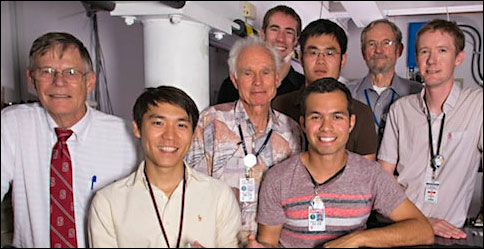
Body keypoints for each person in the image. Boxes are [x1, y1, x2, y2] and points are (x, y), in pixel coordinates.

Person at [251, 78, 434, 248]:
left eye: (337, 117)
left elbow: (423, 230)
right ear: (303, 124)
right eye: (316, 117)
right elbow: (269, 242)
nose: (326, 127)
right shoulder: (278, 178)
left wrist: (357, 239)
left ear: (351, 123)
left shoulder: (370, 175)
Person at [0, 32, 140, 248]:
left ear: (90, 81)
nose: (59, 82)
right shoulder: (12, 124)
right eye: (46, 72)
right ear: (31, 79)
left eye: (71, 73)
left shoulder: (124, 136)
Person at [88, 86, 241, 247]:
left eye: (181, 125)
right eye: (158, 123)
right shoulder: (108, 202)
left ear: (193, 132)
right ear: (137, 128)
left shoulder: (219, 196)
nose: (170, 136)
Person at [186, 35, 303, 244]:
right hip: (218, 240)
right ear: (234, 79)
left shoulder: (291, 130)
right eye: (248, 73)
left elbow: (294, 199)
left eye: (265, 73)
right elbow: (194, 185)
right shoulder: (212, 120)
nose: (258, 82)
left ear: (277, 78)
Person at [378, 19, 483, 239]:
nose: (432, 60)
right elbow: (383, 177)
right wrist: (422, 221)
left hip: (451, 236)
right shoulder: (401, 110)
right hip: (402, 229)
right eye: (425, 51)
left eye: (442, 51)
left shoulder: (477, 105)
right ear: (417, 58)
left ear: (459, 57)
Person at [272, 19, 378, 160]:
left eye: (329, 53)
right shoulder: (278, 106)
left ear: (343, 60)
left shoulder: (361, 114)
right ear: (302, 59)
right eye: (313, 53)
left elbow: (366, 174)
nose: (321, 61)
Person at [347, 19, 423, 141]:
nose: (378, 50)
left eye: (386, 43)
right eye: (372, 44)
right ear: (363, 52)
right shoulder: (347, 94)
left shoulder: (418, 94)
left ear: (399, 50)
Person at [216, 5, 304, 104]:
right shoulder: (232, 85)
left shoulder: (304, 87)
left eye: (288, 32)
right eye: (274, 29)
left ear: (296, 41)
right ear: (262, 34)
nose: (280, 38)